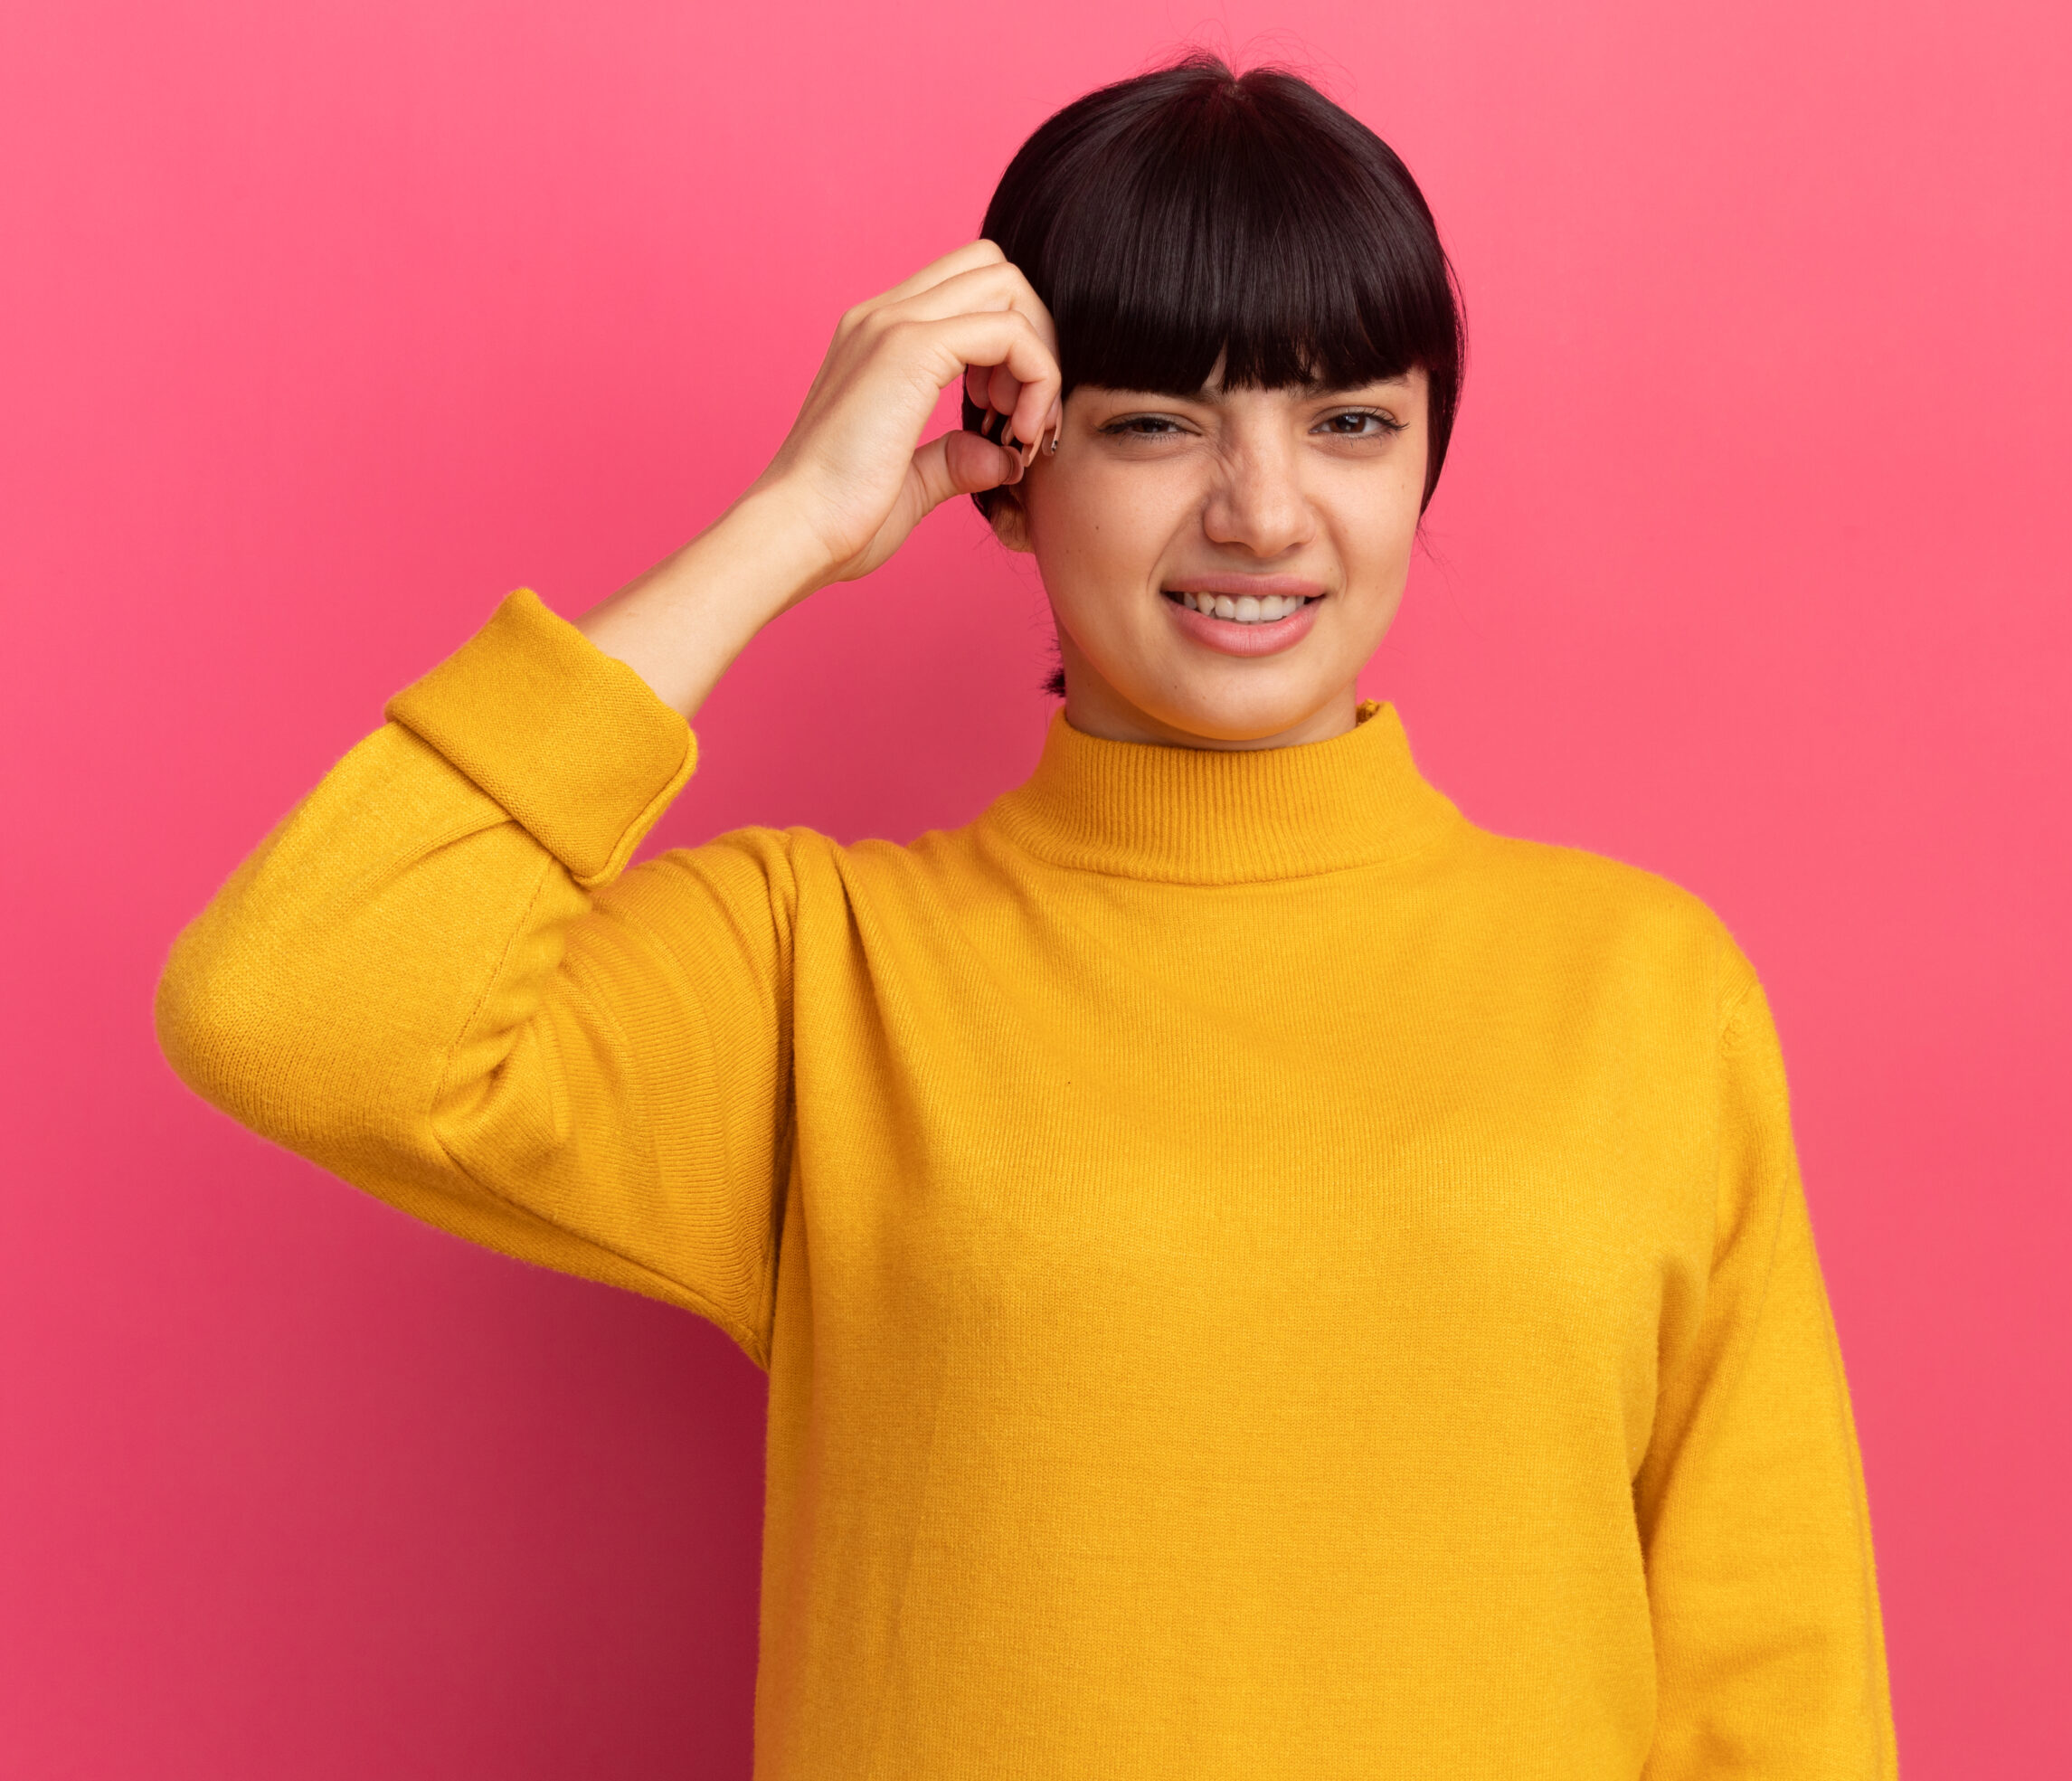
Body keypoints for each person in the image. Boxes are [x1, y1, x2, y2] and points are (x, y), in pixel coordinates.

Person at [156, 55, 1898, 1778]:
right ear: (1010, 465)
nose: (1264, 512)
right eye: (1155, 423)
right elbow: (293, 1002)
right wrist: (791, 521)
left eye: (1350, 421)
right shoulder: (824, 973)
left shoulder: (1645, 991)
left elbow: (1779, 1692)